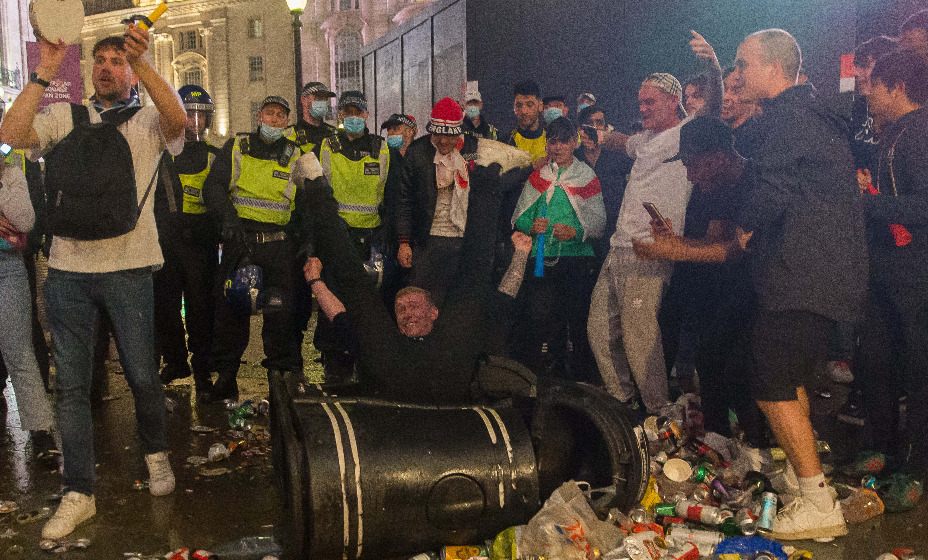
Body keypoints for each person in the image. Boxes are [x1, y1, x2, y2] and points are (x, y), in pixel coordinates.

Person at [0, 28, 187, 538]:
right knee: (73, 389)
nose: (107, 67)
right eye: (100, 60)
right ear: (89, 72)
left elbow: (178, 120)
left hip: (129, 269)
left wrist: (143, 62)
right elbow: (13, 134)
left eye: (116, 61)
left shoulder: (147, 120)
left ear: (129, 72)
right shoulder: (68, 116)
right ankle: (78, 492)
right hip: (68, 271)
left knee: (143, 375)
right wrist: (45, 72)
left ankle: (156, 454)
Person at [733, 28, 867, 540]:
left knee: (770, 383)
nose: (739, 75)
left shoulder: (790, 117)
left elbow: (771, 187)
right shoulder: (809, 113)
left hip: (803, 274)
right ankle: (800, 473)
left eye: (744, 65)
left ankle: (817, 501)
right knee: (788, 378)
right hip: (822, 273)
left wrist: (744, 228)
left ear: (773, 68)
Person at [303, 158, 516, 403]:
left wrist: (520, 254)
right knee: (358, 290)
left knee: (472, 285)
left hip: (446, 367)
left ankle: (490, 171)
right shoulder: (385, 343)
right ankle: (315, 184)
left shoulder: (455, 337)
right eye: (401, 309)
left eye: (414, 306)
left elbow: (501, 296)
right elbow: (340, 314)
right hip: (393, 365)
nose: (407, 312)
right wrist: (315, 281)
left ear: (434, 312)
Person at [587, 30, 721, 416]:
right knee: (599, 328)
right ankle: (623, 400)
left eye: (650, 101)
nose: (642, 107)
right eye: (640, 101)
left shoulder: (687, 132)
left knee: (639, 336)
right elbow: (622, 141)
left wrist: (711, 65)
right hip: (619, 246)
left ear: (673, 101)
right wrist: (596, 134)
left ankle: (660, 411)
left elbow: (713, 105)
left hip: (650, 249)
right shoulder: (646, 140)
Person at [631, 116, 764, 444]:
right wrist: (674, 242)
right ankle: (718, 445)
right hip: (718, 293)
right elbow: (711, 240)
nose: (689, 174)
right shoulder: (715, 185)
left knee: (743, 373)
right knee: (709, 361)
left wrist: (671, 251)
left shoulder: (756, 183)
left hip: (758, 294)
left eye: (692, 164)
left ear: (717, 157)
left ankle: (762, 450)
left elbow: (733, 251)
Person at [202, 95, 317, 402]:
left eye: (281, 115)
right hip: (242, 243)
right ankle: (225, 379)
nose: (274, 119)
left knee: (281, 316)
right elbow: (212, 187)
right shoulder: (237, 147)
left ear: (287, 121)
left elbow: (312, 197)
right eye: (270, 113)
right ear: (259, 117)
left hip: (279, 247)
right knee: (230, 312)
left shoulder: (299, 154)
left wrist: (306, 238)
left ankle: (280, 385)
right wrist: (228, 217)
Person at [856, 50, 928, 486]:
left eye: (873, 85)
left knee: (920, 372)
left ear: (897, 86)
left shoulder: (920, 133)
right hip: (889, 270)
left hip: (917, 273)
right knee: (874, 360)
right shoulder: (895, 133)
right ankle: (882, 449)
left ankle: (916, 469)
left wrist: (868, 202)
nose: (866, 93)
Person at [397, 97, 531, 306]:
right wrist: (404, 242)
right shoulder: (418, 151)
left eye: (449, 136)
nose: (442, 141)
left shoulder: (476, 148)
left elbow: (517, 164)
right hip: (426, 241)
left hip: (465, 241)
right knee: (420, 300)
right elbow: (403, 199)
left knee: (459, 302)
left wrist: (531, 168)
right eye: (438, 134)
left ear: (459, 132)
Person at [315, 91, 401, 381]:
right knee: (333, 301)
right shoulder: (327, 145)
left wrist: (386, 232)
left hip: (370, 238)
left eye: (358, 112)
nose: (353, 117)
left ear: (366, 115)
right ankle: (334, 363)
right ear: (340, 115)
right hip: (337, 237)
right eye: (347, 111)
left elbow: (391, 194)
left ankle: (368, 361)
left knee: (369, 303)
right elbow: (318, 192)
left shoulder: (381, 148)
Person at [511, 117, 605, 381]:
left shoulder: (587, 176)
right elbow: (519, 217)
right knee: (546, 321)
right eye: (552, 141)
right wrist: (532, 225)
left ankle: (582, 381)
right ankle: (552, 380)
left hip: (577, 260)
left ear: (574, 143)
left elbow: (600, 222)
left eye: (564, 141)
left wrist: (576, 231)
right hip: (543, 258)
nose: (558, 147)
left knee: (578, 323)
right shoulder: (538, 176)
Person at [153, 85, 222, 397]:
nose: (194, 122)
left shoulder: (216, 157)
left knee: (201, 310)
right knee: (166, 309)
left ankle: (203, 368)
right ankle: (176, 361)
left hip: (200, 246)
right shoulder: (160, 156)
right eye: (188, 115)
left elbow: (224, 204)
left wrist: (209, 231)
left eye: (200, 116)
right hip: (166, 244)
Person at [0, 153, 55, 446]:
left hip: (8, 266)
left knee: (20, 352)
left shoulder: (10, 174)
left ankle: (41, 432)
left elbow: (25, 219)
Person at [575, 105, 633, 259]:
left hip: (614, 234)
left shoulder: (618, 157)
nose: (594, 128)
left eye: (599, 123)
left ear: (606, 128)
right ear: (580, 130)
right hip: (579, 235)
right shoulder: (572, 159)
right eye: (588, 123)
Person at [508, 80, 547, 164]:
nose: (524, 111)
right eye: (519, 105)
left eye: (529, 105)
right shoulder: (506, 141)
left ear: (540, 106)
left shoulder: (551, 139)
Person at [293, 81, 337, 156]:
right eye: (318, 98)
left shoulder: (332, 134)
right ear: (304, 101)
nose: (323, 102)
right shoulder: (292, 133)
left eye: (325, 98)